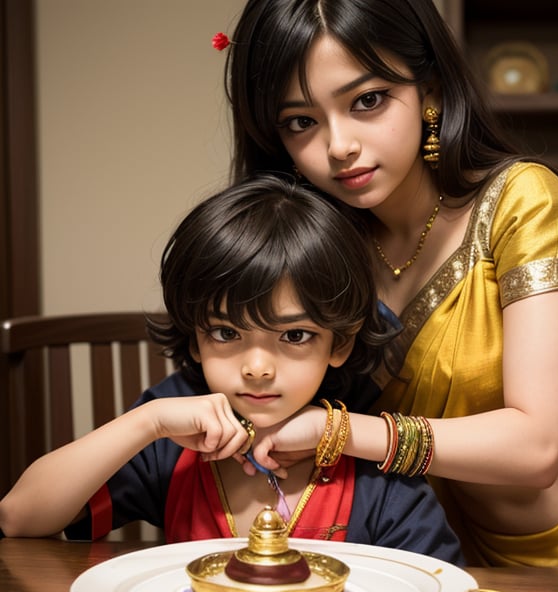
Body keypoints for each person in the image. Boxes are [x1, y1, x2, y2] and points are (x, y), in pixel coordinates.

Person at [219, 0, 558, 568]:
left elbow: (539, 449)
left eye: (367, 101)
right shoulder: (320, 251)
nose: (338, 145)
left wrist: (336, 431)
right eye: (302, 122)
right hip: (445, 558)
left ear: (431, 91)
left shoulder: (523, 203)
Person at [0, 174, 463, 564]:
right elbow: (18, 518)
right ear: (194, 338)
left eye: (294, 336)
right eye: (225, 333)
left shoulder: (371, 462)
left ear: (339, 342)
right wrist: (149, 421)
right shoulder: (171, 439)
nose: (258, 368)